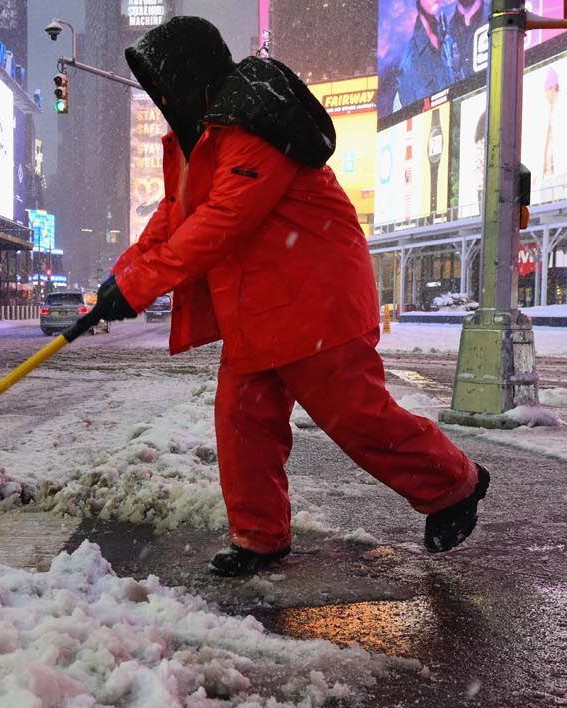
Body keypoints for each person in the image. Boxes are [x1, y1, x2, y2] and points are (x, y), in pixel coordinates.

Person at [78, 17, 490, 577]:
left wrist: (138, 287)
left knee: (359, 419)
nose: (162, 98)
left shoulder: (251, 128)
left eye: (165, 85)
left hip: (314, 303)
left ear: (191, 77)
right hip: (257, 311)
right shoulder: (199, 140)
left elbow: (222, 221)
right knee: (242, 423)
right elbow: (173, 219)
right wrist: (119, 282)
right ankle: (260, 537)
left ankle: (455, 485)